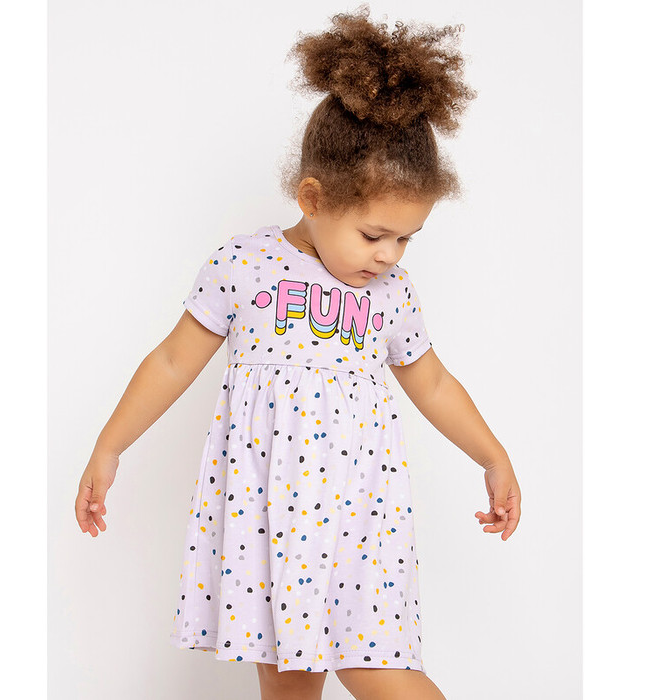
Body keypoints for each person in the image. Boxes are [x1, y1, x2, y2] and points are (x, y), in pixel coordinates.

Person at [75, 6, 521, 699]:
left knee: (378, 669)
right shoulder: (244, 266)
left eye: (405, 238)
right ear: (313, 197)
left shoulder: (392, 294)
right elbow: (172, 361)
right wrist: (110, 446)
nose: (389, 255)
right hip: (269, 516)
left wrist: (492, 455)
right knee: (288, 687)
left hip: (358, 522)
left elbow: (431, 381)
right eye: (374, 234)